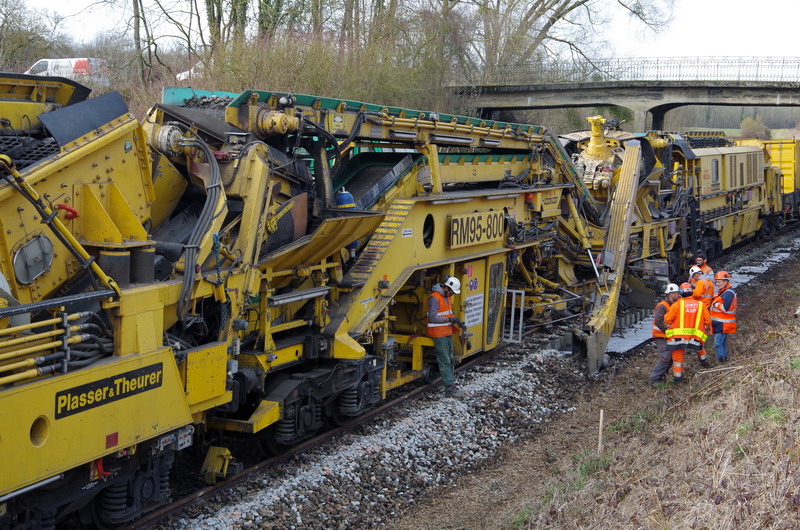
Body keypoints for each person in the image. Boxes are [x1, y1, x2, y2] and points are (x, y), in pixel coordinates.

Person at [664, 282, 712, 383]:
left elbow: (667, 319)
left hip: (677, 337)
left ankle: (678, 378)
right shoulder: (701, 305)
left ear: (681, 293)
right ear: (692, 292)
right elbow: (708, 321)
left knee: (677, 359)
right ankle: (705, 363)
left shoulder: (677, 305)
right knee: (699, 348)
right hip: (694, 335)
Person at [427, 276, 466, 397]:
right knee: (445, 361)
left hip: (446, 332)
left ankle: (450, 384)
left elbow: (446, 313)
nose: (452, 295)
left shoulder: (446, 297)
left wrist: (456, 321)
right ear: (446, 288)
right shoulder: (435, 298)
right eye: (452, 292)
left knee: (450, 359)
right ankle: (450, 389)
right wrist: (450, 319)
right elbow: (432, 317)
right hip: (438, 333)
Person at [649, 283, 682, 384]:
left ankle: (662, 377)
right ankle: (654, 379)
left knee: (670, 358)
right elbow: (659, 321)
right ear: (670, 294)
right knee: (665, 357)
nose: (678, 295)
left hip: (668, 336)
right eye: (676, 293)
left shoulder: (672, 305)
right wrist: (667, 332)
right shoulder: (662, 306)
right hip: (661, 336)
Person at [710, 271, 737, 363]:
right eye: (716, 282)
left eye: (719, 282)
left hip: (723, 323)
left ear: (725, 282)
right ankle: (724, 360)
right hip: (722, 323)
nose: (717, 284)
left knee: (718, 343)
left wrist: (716, 304)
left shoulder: (728, 293)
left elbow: (725, 308)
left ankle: (722, 361)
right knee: (722, 343)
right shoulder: (724, 292)